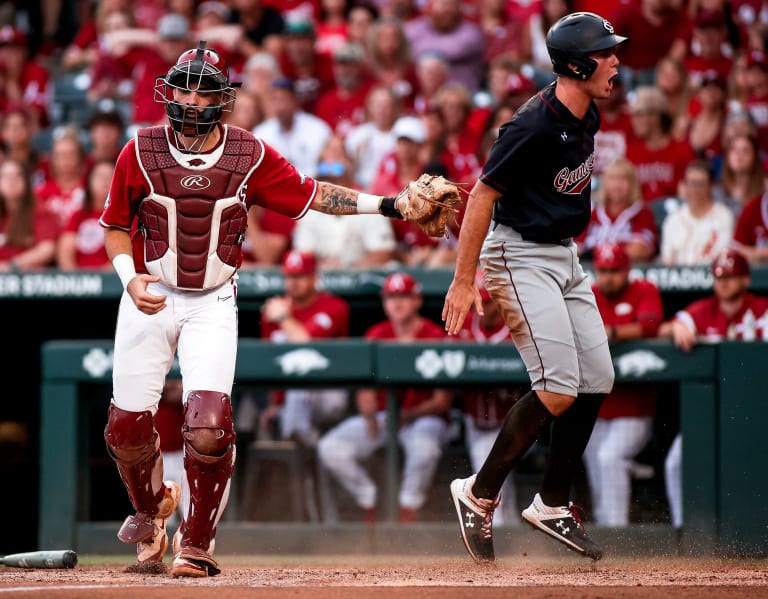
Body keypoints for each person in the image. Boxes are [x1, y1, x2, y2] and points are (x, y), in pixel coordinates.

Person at [99, 41, 444, 577]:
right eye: (183, 89)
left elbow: (313, 195)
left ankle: (197, 543)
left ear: (222, 99)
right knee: (124, 430)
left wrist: (390, 205)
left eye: (202, 91)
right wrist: (128, 279)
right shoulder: (138, 149)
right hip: (149, 295)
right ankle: (150, 511)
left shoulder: (248, 153)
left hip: (213, 298)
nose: (191, 101)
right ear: (167, 91)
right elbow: (116, 226)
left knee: (209, 425)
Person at [442, 11, 626, 564]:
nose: (615, 59)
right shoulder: (532, 125)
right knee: (559, 387)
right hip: (518, 254)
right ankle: (477, 493)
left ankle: (551, 502)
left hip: (562, 254)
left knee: (597, 377)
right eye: (604, 52)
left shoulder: (587, 110)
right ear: (575, 64)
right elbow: (481, 196)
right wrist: (462, 279)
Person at [317, 272, 453, 523]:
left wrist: (409, 415)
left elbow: (442, 401)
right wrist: (369, 416)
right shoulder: (376, 334)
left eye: (403, 296)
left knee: (425, 448)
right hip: (383, 417)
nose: (397, 303)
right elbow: (365, 389)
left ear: (417, 300)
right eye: (391, 297)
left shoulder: (434, 335)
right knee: (331, 447)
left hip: (422, 417)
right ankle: (369, 499)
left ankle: (407, 508)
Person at [657, 248, 768, 531]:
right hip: (714, 415)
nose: (724, 283)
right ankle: (684, 529)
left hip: (758, 410)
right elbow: (663, 329)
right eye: (719, 277)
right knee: (675, 463)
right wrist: (677, 326)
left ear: (745, 279)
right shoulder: (703, 309)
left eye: (731, 277)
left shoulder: (762, 308)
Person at [582, 243, 664, 527]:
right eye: (603, 270)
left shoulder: (644, 289)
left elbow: (652, 324)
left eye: (614, 271)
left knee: (609, 457)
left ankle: (617, 531)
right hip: (598, 405)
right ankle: (606, 528)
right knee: (595, 461)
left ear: (626, 270)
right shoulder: (589, 293)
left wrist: (612, 332)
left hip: (634, 409)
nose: (608, 277)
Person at [455, 271, 528, 526]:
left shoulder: (516, 329)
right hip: (475, 421)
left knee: (495, 482)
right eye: (479, 301)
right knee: (497, 483)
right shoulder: (463, 326)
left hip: (510, 422)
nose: (483, 307)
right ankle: (507, 531)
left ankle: (501, 531)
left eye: (488, 301)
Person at [258, 249, 351, 447]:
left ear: (314, 277)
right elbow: (268, 362)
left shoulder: (334, 306)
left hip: (327, 391)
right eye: (290, 276)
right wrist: (274, 405)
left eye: (300, 276)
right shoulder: (275, 311)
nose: (294, 282)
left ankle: (297, 452)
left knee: (298, 385)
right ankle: (298, 453)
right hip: (291, 401)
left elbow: (304, 342)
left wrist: (284, 318)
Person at [659, 159, 734, 266]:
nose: (696, 189)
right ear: (685, 185)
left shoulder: (724, 215)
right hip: (678, 280)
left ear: (711, 185)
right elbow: (667, 260)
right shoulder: (673, 219)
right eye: (692, 183)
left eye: (701, 184)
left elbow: (723, 256)